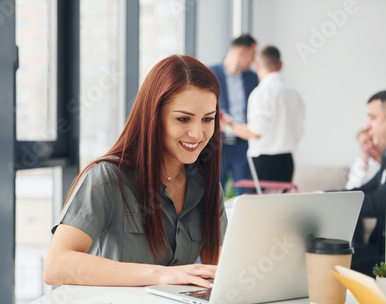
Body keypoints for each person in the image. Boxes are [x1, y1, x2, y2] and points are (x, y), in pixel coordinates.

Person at [43, 55, 227, 289]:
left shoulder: (205, 186)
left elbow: (221, 273)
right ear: (154, 116)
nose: (198, 134)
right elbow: (56, 266)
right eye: (183, 119)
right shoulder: (107, 177)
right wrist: (161, 275)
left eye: (207, 119)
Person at [221, 46, 304, 182]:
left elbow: (255, 132)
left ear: (257, 64)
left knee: (263, 203)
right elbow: (299, 132)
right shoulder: (294, 94)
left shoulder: (260, 93)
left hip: (265, 163)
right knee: (284, 203)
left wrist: (229, 125)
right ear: (281, 65)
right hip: (288, 161)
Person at [209, 34, 259, 195]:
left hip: (242, 143)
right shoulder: (210, 73)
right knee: (214, 193)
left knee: (244, 194)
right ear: (241, 52)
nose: (253, 60)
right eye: (252, 55)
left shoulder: (252, 78)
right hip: (218, 143)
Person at [348, 90, 386, 277]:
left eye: (372, 118)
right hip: (379, 246)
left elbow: (380, 200)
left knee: (338, 267)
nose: (367, 126)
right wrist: (321, 195)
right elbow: (366, 189)